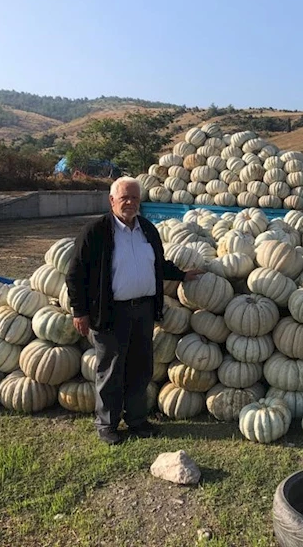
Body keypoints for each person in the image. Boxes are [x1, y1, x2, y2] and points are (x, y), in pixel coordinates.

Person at [66, 176, 201, 445]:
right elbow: (75, 273)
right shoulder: (96, 231)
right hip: (110, 312)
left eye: (134, 198)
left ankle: (137, 420)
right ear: (112, 200)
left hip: (143, 310)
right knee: (111, 369)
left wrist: (182, 275)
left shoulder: (147, 229)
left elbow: (157, 264)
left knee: (140, 368)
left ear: (140, 201)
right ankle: (107, 424)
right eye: (124, 198)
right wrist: (79, 311)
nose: (129, 203)